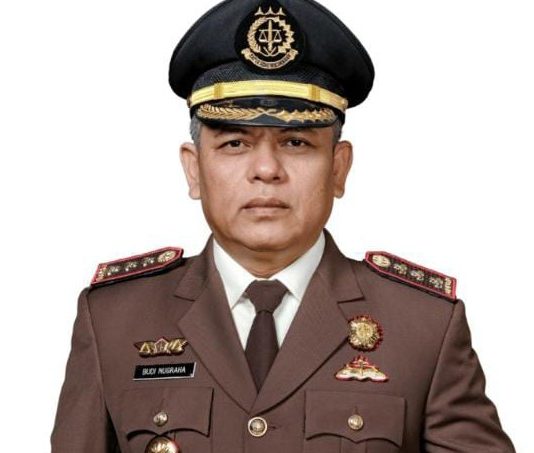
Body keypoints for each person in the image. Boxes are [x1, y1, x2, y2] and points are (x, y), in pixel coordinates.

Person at [51, 0, 516, 452]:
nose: (266, 169)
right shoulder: (114, 320)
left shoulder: (423, 326)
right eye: (235, 144)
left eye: (296, 142)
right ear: (194, 169)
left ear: (339, 168)